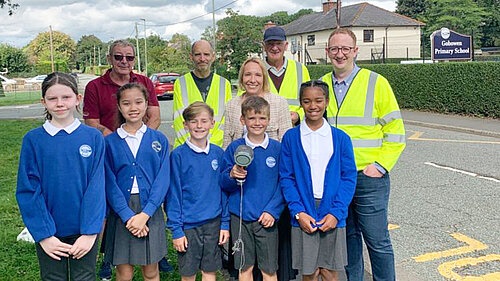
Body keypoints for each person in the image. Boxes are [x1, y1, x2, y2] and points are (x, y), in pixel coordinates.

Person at [321, 28, 406, 281]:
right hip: (337, 179)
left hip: (369, 177)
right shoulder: (322, 85)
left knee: (377, 242)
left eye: (345, 49)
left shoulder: (376, 82)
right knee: (348, 243)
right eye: (335, 49)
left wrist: (380, 165)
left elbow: (396, 130)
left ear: (355, 51)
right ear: (327, 53)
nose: (340, 54)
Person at [16, 72, 106, 281]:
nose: (59, 103)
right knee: (52, 278)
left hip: (84, 230)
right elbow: (28, 189)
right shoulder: (33, 140)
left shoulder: (93, 137)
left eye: (65, 97)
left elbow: (97, 186)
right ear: (43, 102)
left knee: (84, 276)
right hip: (49, 230)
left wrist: (90, 232)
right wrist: (44, 235)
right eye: (52, 98)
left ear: (77, 99)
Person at [279, 80, 357, 281]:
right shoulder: (291, 137)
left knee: (330, 271)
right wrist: (298, 212)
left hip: (332, 210)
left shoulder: (340, 138)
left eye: (318, 100)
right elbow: (287, 177)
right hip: (304, 210)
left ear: (327, 102)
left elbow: (348, 177)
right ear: (301, 103)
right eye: (306, 101)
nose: (313, 106)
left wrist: (336, 213)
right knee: (309, 271)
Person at [102, 83, 169, 281]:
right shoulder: (110, 142)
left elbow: (162, 179)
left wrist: (145, 215)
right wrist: (128, 217)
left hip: (150, 209)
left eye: (138, 102)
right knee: (124, 272)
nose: (133, 108)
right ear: (119, 107)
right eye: (126, 103)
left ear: (147, 104)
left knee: (151, 271)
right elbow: (109, 182)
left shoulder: (159, 139)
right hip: (122, 210)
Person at [220, 96, 285, 281]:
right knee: (244, 268)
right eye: (252, 118)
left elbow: (284, 184)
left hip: (267, 219)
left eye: (262, 118)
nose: (257, 123)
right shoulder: (234, 148)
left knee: (269, 271)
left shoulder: (277, 149)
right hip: (240, 218)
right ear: (243, 120)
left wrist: (273, 211)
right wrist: (232, 175)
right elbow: (223, 182)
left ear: (269, 120)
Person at [166, 101, 230, 281]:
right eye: (193, 121)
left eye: (204, 121)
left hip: (214, 223)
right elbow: (174, 194)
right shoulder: (178, 155)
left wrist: (224, 223)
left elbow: (224, 191)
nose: (199, 126)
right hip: (188, 225)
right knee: (188, 273)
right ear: (185, 125)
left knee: (210, 271)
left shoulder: (218, 154)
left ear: (212, 123)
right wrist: (177, 230)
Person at [83, 39, 160, 134]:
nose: (124, 61)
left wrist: (141, 140)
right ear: (109, 59)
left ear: (134, 60)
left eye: (129, 58)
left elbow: (155, 117)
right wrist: (116, 143)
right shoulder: (94, 87)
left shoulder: (145, 82)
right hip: (108, 145)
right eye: (118, 57)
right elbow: (91, 122)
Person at [173, 40, 232, 148]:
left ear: (213, 57)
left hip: (216, 150)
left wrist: (209, 147)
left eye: (206, 54)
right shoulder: (180, 83)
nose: (202, 58)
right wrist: (195, 146)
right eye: (197, 54)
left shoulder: (224, 84)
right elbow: (179, 121)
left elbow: (226, 122)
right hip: (187, 150)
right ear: (191, 57)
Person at [223, 57, 291, 149]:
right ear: (242, 78)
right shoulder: (231, 105)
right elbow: (227, 143)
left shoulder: (279, 103)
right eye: (247, 74)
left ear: (264, 78)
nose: (252, 80)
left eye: (258, 75)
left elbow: (286, 143)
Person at [263, 26, 310, 125]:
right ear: (264, 46)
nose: (275, 48)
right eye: (270, 44)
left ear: (286, 45)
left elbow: (310, 101)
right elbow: (243, 102)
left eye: (279, 43)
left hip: (293, 132)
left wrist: (298, 115)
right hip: (263, 134)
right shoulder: (255, 69)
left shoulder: (300, 69)